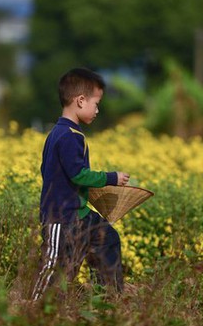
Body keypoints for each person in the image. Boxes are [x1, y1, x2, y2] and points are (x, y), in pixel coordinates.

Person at [32, 68, 130, 301]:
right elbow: (78, 175)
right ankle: (36, 304)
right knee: (59, 265)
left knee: (107, 239)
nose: (98, 110)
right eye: (96, 104)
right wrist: (111, 178)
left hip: (80, 213)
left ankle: (107, 296)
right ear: (80, 100)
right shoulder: (66, 136)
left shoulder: (65, 133)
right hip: (62, 217)